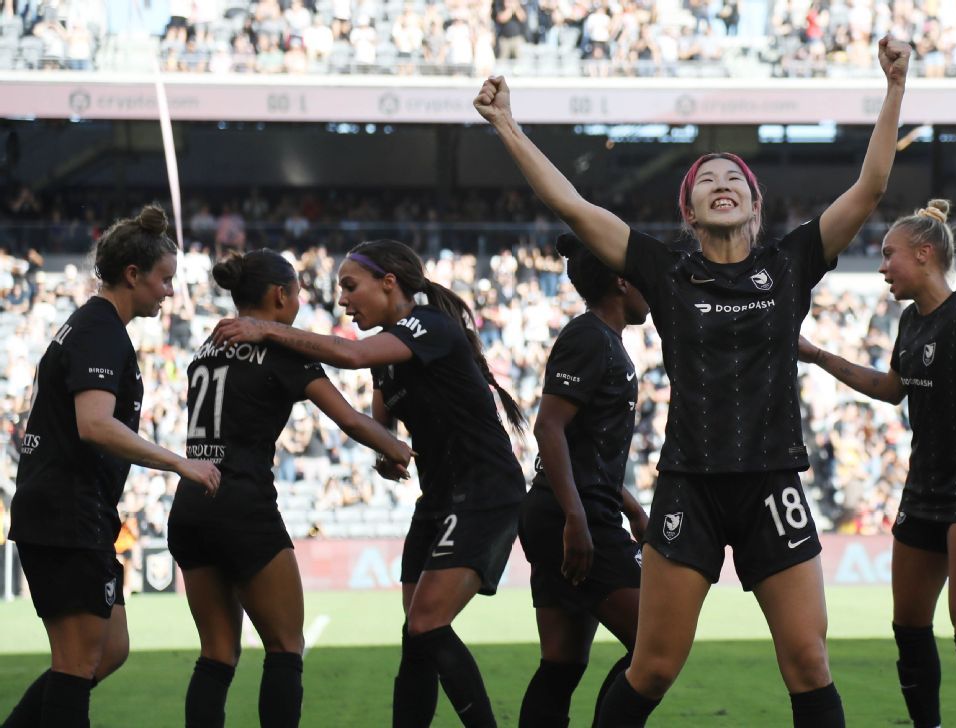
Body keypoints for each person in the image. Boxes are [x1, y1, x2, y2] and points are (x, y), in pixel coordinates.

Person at [475, 36, 910, 727]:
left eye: (733, 177)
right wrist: (507, 126)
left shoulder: (792, 261)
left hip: (773, 481)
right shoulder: (664, 270)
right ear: (688, 211)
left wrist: (893, 87)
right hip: (690, 486)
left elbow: (871, 187)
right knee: (651, 667)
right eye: (705, 179)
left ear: (755, 205)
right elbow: (573, 208)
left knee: (809, 663)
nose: (721, 184)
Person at [210, 239, 527, 728]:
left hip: (483, 489)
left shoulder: (428, 325)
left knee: (426, 624)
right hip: (440, 497)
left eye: (350, 287)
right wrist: (386, 453)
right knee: (417, 634)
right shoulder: (389, 353)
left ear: (389, 282)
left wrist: (266, 329)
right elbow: (385, 422)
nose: (342, 300)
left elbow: (350, 355)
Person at [798, 199, 956, 728]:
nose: (882, 267)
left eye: (889, 255)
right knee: (908, 626)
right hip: (923, 489)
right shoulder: (910, 321)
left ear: (924, 254)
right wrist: (817, 355)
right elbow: (890, 389)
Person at [167, 250, 414, 728]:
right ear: (280, 296)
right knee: (285, 646)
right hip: (242, 502)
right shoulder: (282, 350)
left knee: (216, 655)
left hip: (192, 503)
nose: (300, 301)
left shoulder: (207, 347)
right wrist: (401, 449)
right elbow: (347, 418)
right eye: (298, 292)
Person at [3, 205, 222, 728]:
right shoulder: (100, 329)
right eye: (165, 280)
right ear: (133, 275)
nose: (169, 292)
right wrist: (178, 464)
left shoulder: (97, 326)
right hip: (65, 512)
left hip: (79, 511)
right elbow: (95, 424)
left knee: (110, 650)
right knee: (77, 663)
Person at [518, 234, 650, 728]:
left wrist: (631, 506)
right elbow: (548, 427)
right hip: (571, 515)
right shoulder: (589, 337)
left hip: (570, 510)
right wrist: (577, 518)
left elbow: (582, 447)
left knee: (562, 663)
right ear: (621, 281)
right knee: (655, 647)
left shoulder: (604, 340)